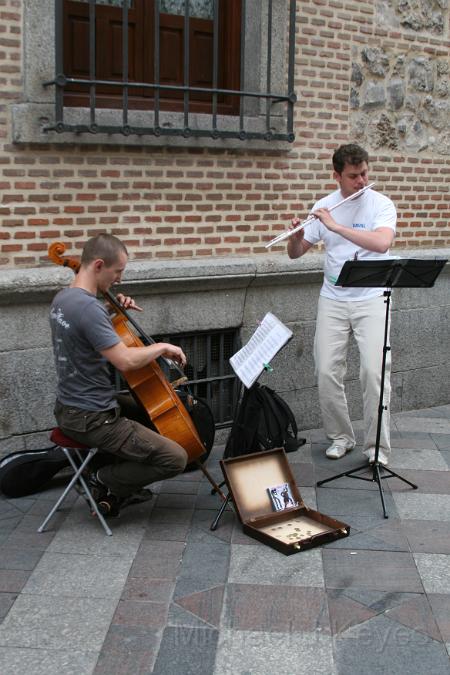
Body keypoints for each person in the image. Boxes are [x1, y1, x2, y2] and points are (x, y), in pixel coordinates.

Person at [49, 233, 188, 517]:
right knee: (176, 458)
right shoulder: (89, 309)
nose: (120, 280)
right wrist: (160, 347)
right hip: (93, 417)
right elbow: (125, 361)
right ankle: (102, 479)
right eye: (118, 272)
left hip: (70, 408)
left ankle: (117, 481)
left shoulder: (64, 298)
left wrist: (111, 308)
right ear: (99, 265)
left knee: (148, 411)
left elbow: (87, 329)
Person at [287, 144, 396, 466]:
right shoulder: (324, 206)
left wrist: (335, 227)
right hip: (333, 299)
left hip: (373, 298)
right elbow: (296, 252)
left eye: (364, 173)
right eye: (353, 176)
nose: (361, 181)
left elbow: (382, 243)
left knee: (373, 374)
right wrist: (296, 236)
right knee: (325, 371)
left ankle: (376, 448)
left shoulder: (381, 204)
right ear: (337, 175)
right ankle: (341, 437)